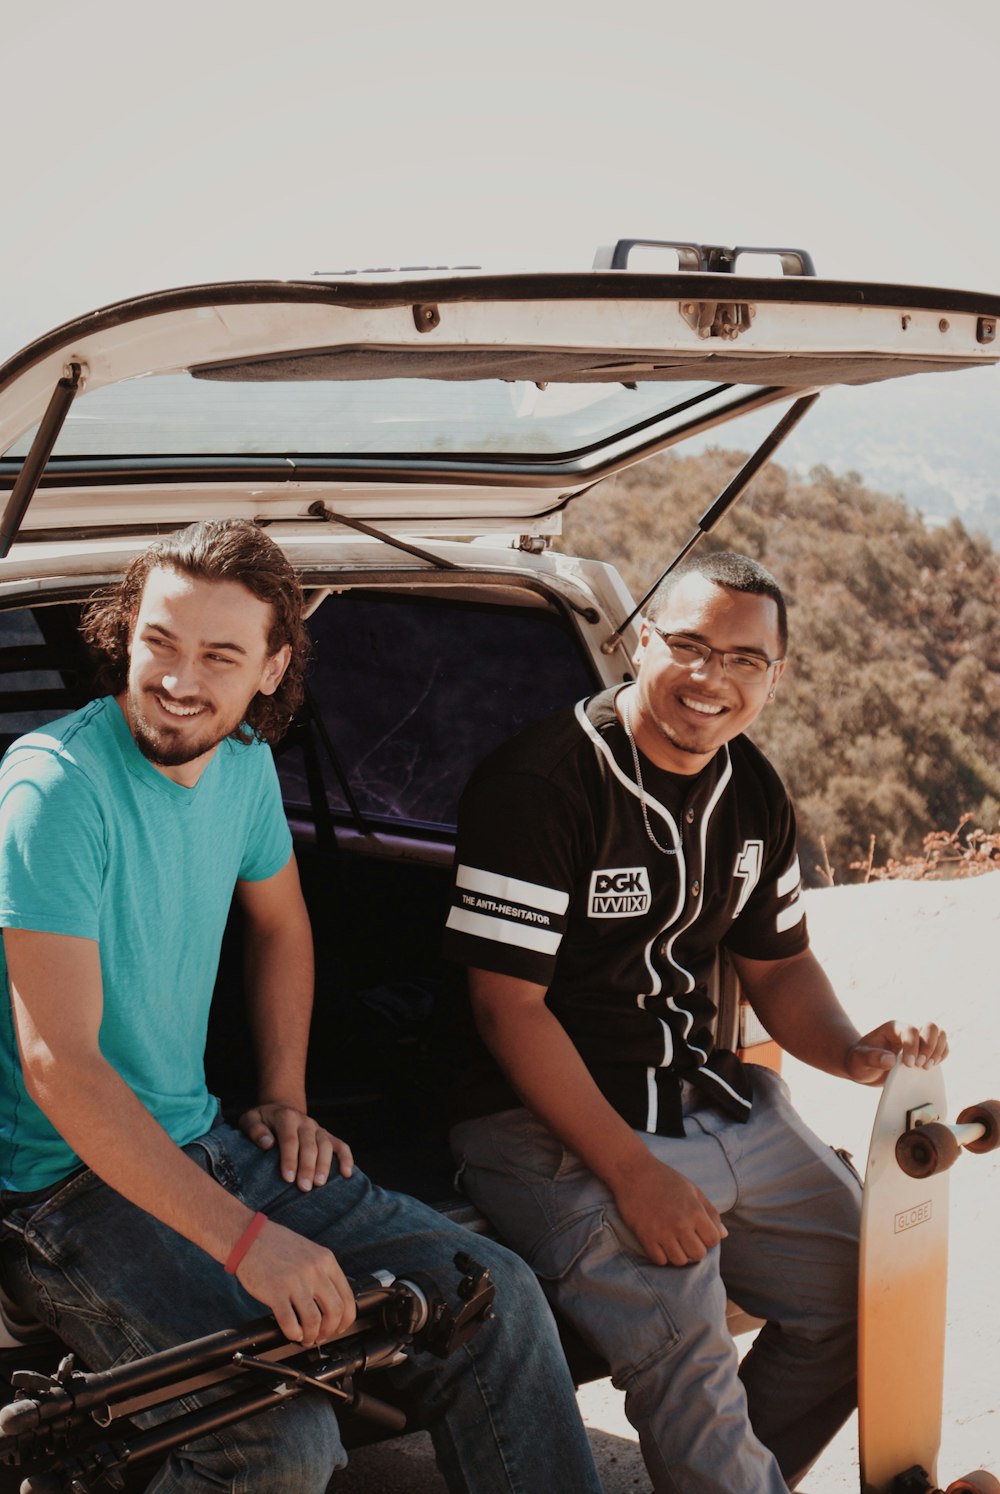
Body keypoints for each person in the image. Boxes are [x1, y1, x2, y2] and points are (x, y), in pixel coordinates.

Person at [0, 518, 603, 1494]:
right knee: (277, 1438)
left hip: (209, 1142)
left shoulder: (238, 765)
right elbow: (56, 1065)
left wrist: (283, 1095)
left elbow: (282, 924)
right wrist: (247, 1244)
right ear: (126, 632)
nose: (179, 679)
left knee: (491, 1294)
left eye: (219, 654)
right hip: (64, 1193)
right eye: (159, 640)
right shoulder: (53, 792)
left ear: (274, 667)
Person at [443, 550, 948, 1494]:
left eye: (745, 659)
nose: (712, 679)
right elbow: (503, 1009)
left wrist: (851, 1049)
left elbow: (781, 963)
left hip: (710, 1097)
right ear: (640, 642)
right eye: (688, 645)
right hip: (553, 1124)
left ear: (777, 674)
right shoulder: (542, 782)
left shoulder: (751, 787)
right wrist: (632, 1174)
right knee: (689, 1355)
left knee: (871, 1301)